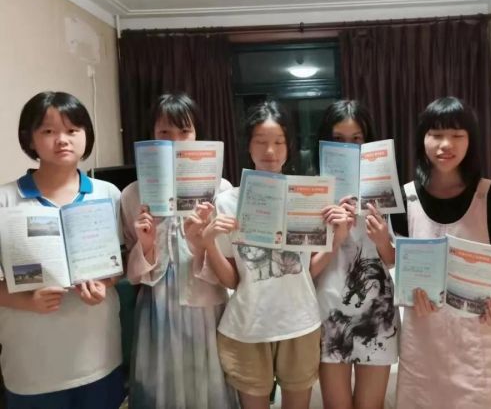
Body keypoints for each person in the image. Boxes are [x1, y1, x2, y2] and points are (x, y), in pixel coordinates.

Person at [201, 100, 350, 409]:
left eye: (279, 142)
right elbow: (232, 280)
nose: (270, 151)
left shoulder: (308, 197)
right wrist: (209, 244)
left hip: (300, 322)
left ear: (289, 146)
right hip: (247, 327)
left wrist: (337, 240)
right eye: (261, 141)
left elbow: (306, 271)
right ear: (248, 146)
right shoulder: (227, 202)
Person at [0, 91, 125, 409]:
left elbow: (117, 263)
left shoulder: (108, 194)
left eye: (72, 130)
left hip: (100, 358)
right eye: (48, 131)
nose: (62, 140)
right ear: (30, 139)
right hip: (32, 369)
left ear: (86, 135)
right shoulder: (5, 201)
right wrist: (27, 301)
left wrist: (105, 283)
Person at [392, 96, 491, 408]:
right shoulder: (406, 198)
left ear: (470, 140)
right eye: (436, 134)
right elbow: (403, 266)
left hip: (480, 324)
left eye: (457, 135)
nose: (445, 144)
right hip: (424, 327)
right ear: (422, 139)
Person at [121, 92, 238, 408]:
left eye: (184, 132)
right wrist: (147, 245)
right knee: (161, 386)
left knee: (208, 384)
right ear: (151, 136)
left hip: (206, 303)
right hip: (158, 307)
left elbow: (228, 261)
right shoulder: (132, 194)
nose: (175, 142)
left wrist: (202, 243)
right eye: (165, 133)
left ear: (198, 134)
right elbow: (132, 274)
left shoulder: (222, 190)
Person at [312, 100, 400, 409]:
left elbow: (391, 260)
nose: (348, 147)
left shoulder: (385, 189)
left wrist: (381, 239)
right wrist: (334, 236)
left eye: (356, 139)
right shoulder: (313, 190)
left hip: (376, 311)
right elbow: (306, 268)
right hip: (329, 311)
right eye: (338, 139)